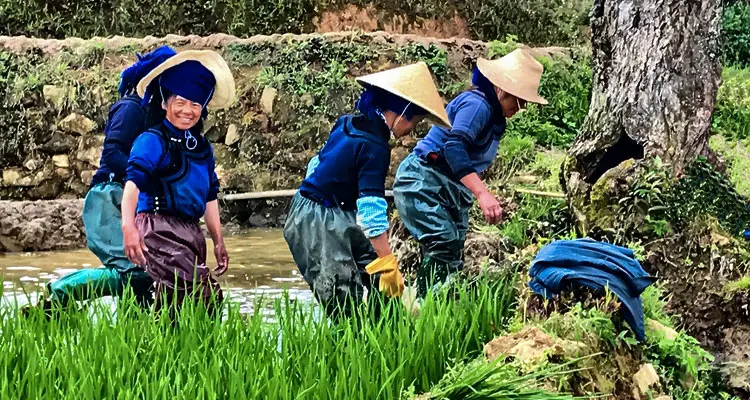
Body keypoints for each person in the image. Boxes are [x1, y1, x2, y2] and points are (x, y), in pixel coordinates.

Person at [283, 62, 451, 319]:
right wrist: (389, 265)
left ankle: (381, 333)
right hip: (317, 220)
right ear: (401, 112)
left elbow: (317, 163)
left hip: (326, 208)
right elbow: (371, 212)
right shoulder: (375, 147)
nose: (411, 132)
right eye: (414, 122)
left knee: (375, 277)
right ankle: (348, 347)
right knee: (342, 298)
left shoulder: (347, 123)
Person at [26, 46, 177, 314]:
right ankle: (60, 292)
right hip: (109, 197)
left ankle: (138, 338)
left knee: (144, 281)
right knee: (137, 274)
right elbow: (112, 152)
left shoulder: (156, 116)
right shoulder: (132, 108)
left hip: (130, 199)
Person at [393, 49, 548, 298]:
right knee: (443, 242)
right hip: (423, 180)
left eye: (525, 103)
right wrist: (483, 194)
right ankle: (421, 307)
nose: (521, 108)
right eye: (518, 101)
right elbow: (454, 148)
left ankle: (436, 308)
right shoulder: (477, 105)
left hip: (448, 187)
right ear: (501, 90)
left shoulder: (492, 114)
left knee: (453, 252)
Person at [121, 50, 235, 320]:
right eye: (180, 102)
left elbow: (209, 196)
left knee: (180, 305)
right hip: (157, 229)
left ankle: (169, 352)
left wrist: (218, 241)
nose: (187, 110)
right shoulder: (152, 140)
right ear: (164, 103)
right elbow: (132, 186)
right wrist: (128, 227)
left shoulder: (202, 147)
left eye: (195, 104)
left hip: (191, 233)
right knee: (201, 296)